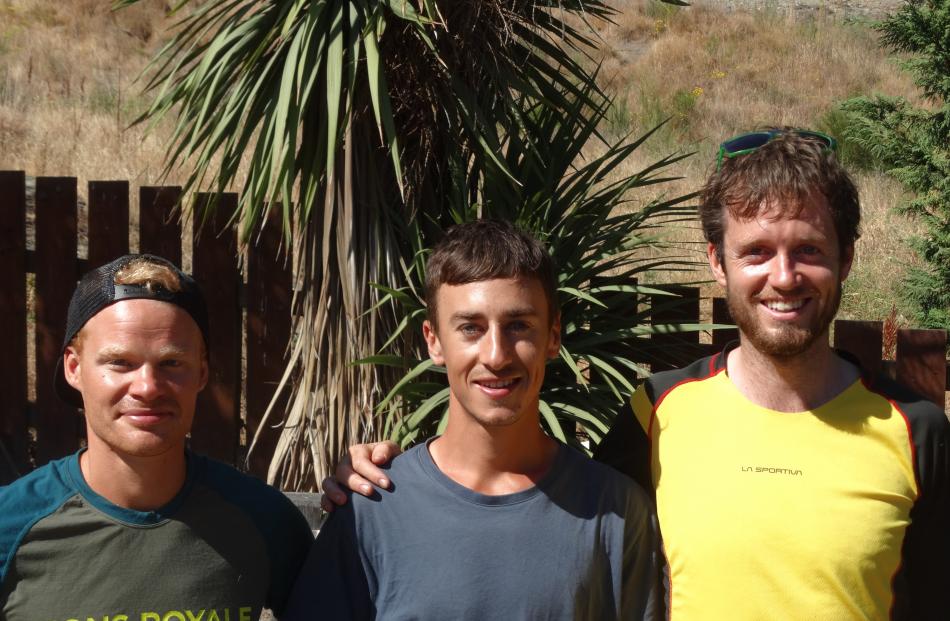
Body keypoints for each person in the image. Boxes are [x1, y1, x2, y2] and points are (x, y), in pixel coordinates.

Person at [327, 130, 950, 620]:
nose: (782, 276)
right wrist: (374, 480)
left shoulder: (915, 433)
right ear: (717, 262)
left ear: (846, 257)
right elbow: (547, 506)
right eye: (756, 251)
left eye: (809, 249)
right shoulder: (656, 412)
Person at [285, 220, 661, 620]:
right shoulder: (372, 508)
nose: (496, 355)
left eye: (518, 325)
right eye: (470, 328)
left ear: (553, 335)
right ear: (433, 341)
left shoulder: (616, 511)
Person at [0, 254, 313, 620]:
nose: (147, 387)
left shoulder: (266, 521)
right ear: (74, 368)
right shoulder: (11, 524)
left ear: (202, 372)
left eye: (171, 363)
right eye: (120, 362)